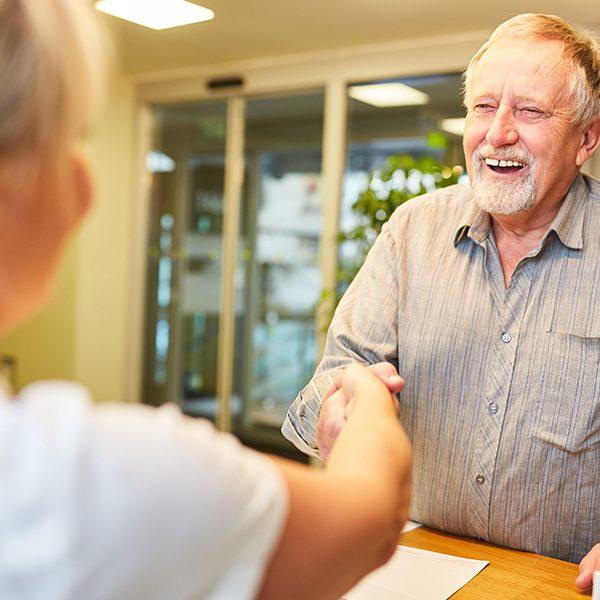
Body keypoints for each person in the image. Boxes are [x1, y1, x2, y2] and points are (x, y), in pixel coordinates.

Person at [0, 1, 412, 599]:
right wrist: (369, 395)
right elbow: (369, 518)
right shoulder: (83, 484)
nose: (86, 179)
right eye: (73, 135)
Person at [283, 12, 600, 592]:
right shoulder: (412, 232)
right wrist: (334, 409)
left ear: (586, 139)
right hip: (415, 570)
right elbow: (331, 382)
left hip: (560, 585)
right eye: (483, 107)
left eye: (529, 111)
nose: (497, 132)